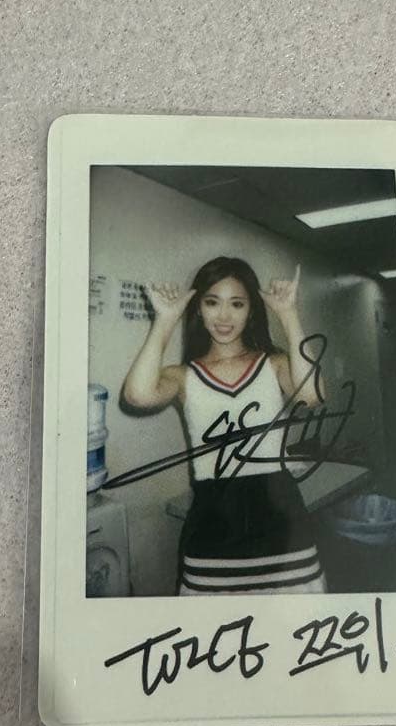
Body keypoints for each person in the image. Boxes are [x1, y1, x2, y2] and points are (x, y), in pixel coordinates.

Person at [122, 255, 327, 595]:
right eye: (212, 302)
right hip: (212, 537)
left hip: (284, 538)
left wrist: (289, 314)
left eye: (237, 304)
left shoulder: (273, 364)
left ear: (251, 311)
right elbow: (137, 395)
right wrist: (165, 320)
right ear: (199, 310)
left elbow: (314, 395)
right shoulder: (183, 376)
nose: (224, 316)